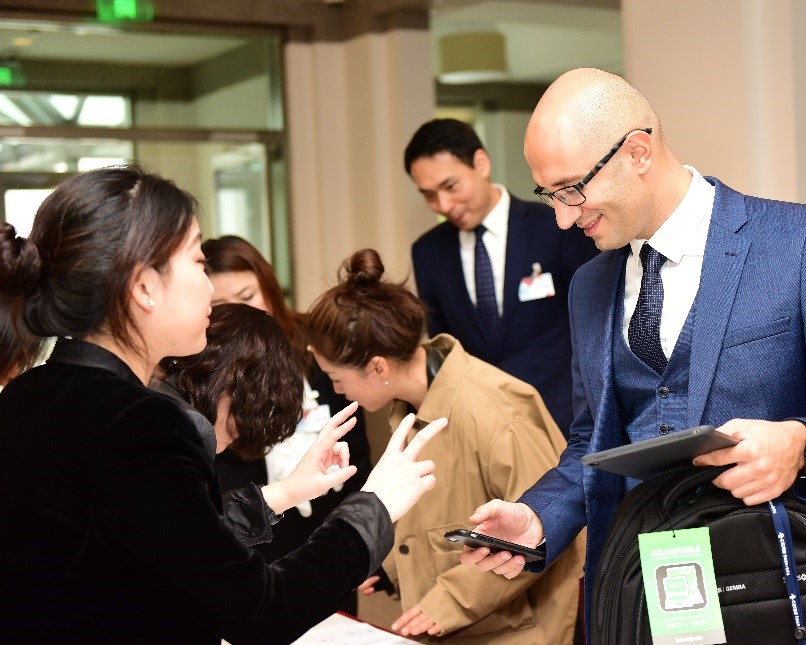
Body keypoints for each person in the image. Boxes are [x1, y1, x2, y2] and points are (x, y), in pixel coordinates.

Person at [459, 68, 806, 645]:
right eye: (548, 194)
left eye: (572, 189)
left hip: (792, 589)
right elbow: (592, 444)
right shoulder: (588, 286)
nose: (563, 216)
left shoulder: (804, 244)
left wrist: (804, 444)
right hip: (648, 596)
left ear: (639, 151)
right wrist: (538, 517)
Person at [0, 164, 445, 644]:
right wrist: (372, 509)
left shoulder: (27, 395)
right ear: (144, 286)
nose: (212, 287)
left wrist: (287, 492)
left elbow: (161, 542)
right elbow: (260, 609)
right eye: (196, 261)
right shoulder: (140, 422)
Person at [304, 247, 585, 643]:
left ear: (378, 367)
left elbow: (544, 530)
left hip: (518, 630)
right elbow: (439, 518)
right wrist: (392, 567)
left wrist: (449, 602)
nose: (338, 390)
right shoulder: (408, 407)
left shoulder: (497, 411)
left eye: (337, 378)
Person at [405, 118, 598, 434]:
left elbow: (594, 325)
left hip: (566, 420)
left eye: (451, 187)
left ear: (480, 163)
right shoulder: (428, 252)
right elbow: (445, 353)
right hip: (483, 429)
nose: (444, 205)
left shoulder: (555, 227)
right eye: (429, 195)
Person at [201, 235, 372, 574]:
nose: (243, 311)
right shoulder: (203, 370)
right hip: (254, 537)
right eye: (222, 304)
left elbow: (355, 448)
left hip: (328, 525)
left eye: (248, 296)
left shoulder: (316, 343)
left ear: (269, 287)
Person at [155, 302, 360, 547]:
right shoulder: (190, 427)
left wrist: (288, 491)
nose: (240, 433)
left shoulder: (157, 397)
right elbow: (193, 538)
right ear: (239, 386)